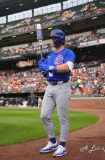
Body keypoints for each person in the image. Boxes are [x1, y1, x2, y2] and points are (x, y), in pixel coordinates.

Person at [38, 29, 75, 157]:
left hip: (62, 87)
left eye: (54, 38)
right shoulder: (49, 56)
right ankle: (52, 142)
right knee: (44, 116)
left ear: (60, 39)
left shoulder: (68, 53)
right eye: (52, 38)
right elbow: (48, 73)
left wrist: (49, 67)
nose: (52, 40)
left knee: (62, 118)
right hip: (50, 87)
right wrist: (43, 70)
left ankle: (62, 146)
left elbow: (67, 68)